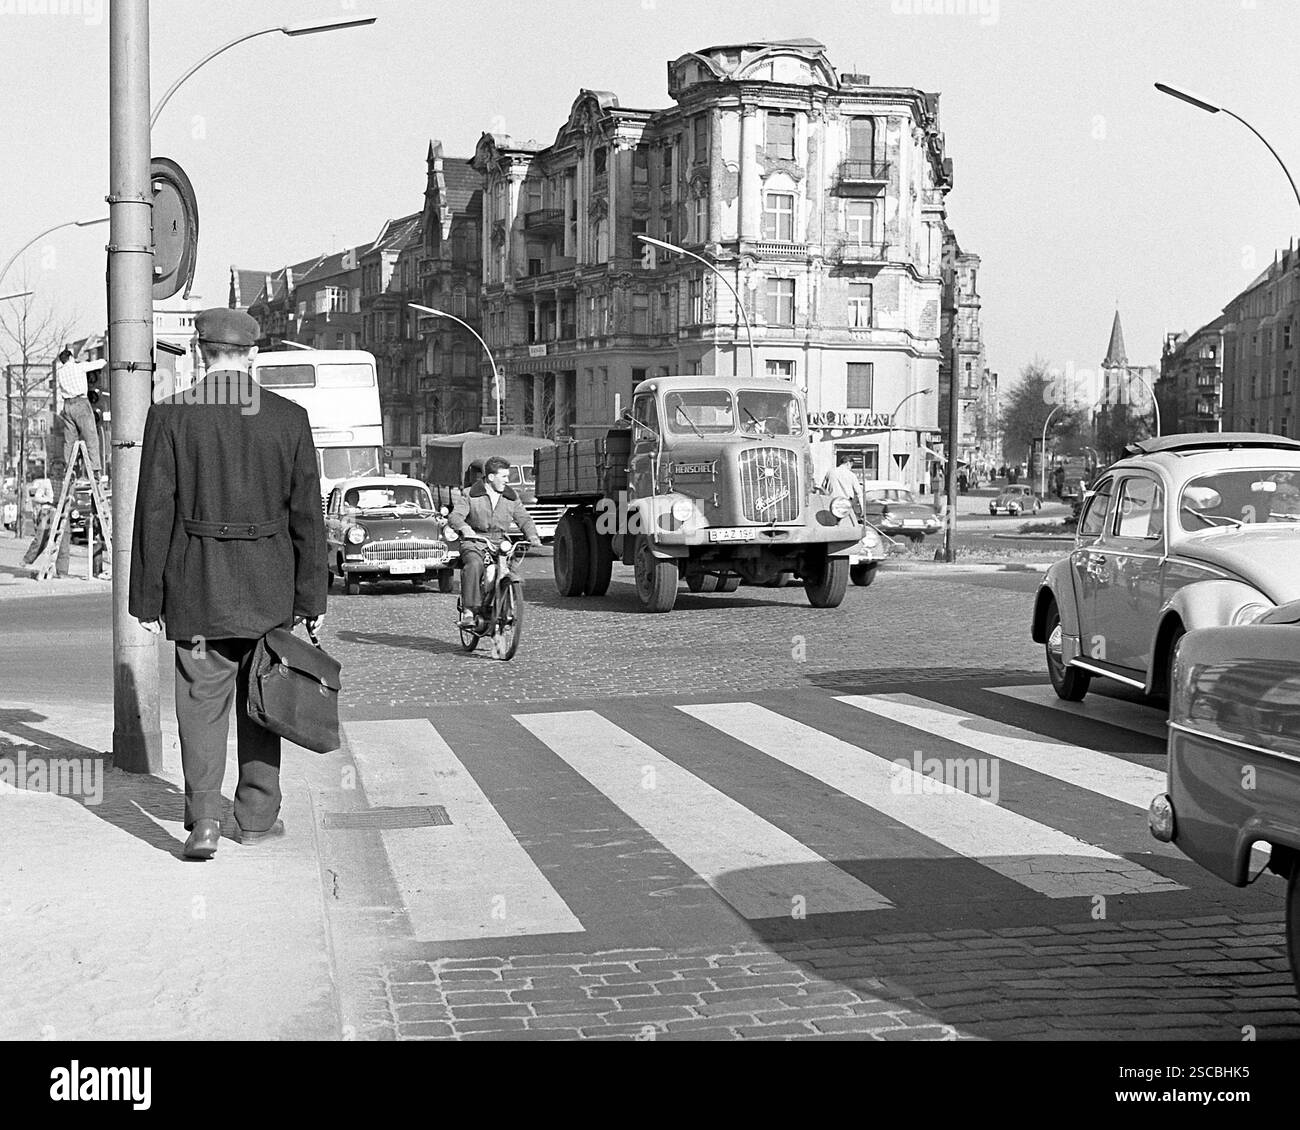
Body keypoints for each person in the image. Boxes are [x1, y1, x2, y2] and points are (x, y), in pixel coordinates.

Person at [129, 308, 327, 861]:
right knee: (264, 701)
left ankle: (205, 822)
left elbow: (154, 512)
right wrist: (311, 600)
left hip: (196, 587)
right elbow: (308, 518)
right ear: (253, 355)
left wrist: (147, 597)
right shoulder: (289, 418)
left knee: (199, 704)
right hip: (269, 590)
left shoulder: (169, 416)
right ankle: (258, 818)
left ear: (200, 352)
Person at [448, 455, 541, 629]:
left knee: (511, 567)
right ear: (491, 477)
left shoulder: (511, 497)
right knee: (474, 565)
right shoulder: (470, 494)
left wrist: (532, 535)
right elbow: (455, 516)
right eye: (504, 476)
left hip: (500, 540)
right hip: (475, 540)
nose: (507, 480)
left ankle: (506, 606)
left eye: (508, 476)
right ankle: (469, 611)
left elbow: (524, 518)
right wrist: (464, 528)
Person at [53, 346, 107, 481]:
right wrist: (106, 360)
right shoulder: (78, 367)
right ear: (71, 357)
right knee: (91, 436)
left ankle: (69, 469)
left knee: (69, 440)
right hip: (81, 403)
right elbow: (98, 364)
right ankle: (95, 470)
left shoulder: (60, 372)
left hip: (67, 405)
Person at [822, 452, 864, 517]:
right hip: (845, 505)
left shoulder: (830, 472)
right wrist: (862, 509)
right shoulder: (851, 475)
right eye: (851, 466)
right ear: (848, 463)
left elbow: (823, 488)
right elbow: (859, 493)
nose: (851, 468)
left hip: (830, 504)